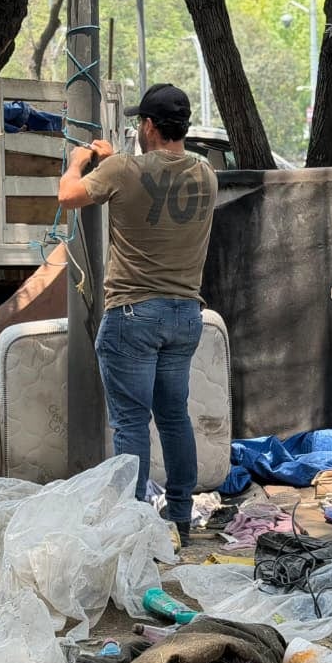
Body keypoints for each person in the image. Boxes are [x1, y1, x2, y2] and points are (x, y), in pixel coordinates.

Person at [57, 83, 217, 539]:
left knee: (131, 423)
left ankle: (132, 526)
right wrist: (113, 161)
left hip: (133, 316)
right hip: (185, 315)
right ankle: (180, 518)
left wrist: (77, 164)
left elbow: (69, 196)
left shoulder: (123, 170)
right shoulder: (206, 174)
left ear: (147, 125)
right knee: (173, 417)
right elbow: (152, 185)